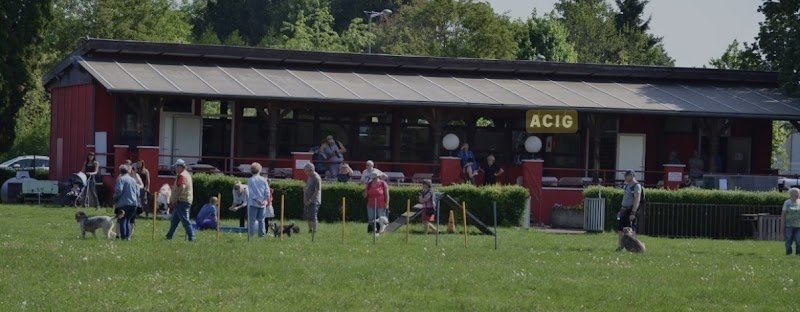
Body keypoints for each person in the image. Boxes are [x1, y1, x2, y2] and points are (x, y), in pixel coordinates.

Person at [166, 159, 195, 241]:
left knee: (185, 220)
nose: (175, 169)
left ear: (180, 167)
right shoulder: (186, 174)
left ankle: (192, 236)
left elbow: (182, 187)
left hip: (182, 200)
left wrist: (175, 198)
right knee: (174, 220)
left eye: (176, 167)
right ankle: (169, 236)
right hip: (184, 200)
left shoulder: (182, 175)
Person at [617, 169, 642, 251]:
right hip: (624, 209)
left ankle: (633, 247)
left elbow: (637, 200)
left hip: (630, 210)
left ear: (631, 175)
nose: (625, 177)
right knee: (620, 229)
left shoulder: (636, 186)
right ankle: (621, 247)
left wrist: (633, 213)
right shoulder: (627, 185)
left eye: (626, 176)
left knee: (630, 230)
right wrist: (621, 210)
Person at [114, 164, 139, 240]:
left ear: (120, 172)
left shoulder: (121, 179)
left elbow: (119, 190)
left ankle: (123, 237)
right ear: (128, 172)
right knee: (128, 220)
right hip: (134, 204)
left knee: (123, 220)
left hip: (123, 203)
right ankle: (128, 237)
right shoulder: (133, 180)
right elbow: (137, 193)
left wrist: (115, 198)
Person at [246, 162, 270, 238]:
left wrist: (257, 200)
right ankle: (261, 235)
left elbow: (250, 192)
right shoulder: (264, 180)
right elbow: (267, 191)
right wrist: (265, 200)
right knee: (261, 220)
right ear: (260, 170)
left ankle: (251, 235)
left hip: (253, 203)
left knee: (252, 221)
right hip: (263, 203)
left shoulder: (250, 180)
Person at [303, 163, 322, 234]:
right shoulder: (309, 176)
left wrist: (310, 200)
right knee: (309, 216)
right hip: (307, 199)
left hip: (314, 201)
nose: (305, 173)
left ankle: (314, 231)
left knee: (313, 216)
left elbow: (317, 191)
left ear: (311, 170)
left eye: (306, 171)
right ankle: (310, 230)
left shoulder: (316, 178)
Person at [782, 188, 800, 255]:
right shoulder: (787, 202)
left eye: (798, 193)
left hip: (799, 226)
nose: (798, 194)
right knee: (788, 241)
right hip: (789, 226)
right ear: (791, 194)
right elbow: (783, 215)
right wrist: (783, 226)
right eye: (796, 193)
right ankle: (789, 254)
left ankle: (798, 254)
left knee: (799, 241)